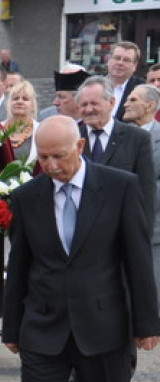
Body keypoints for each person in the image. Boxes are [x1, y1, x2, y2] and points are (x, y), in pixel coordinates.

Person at [1, 116, 160, 382]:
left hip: (105, 325)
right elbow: (19, 266)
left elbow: (137, 257)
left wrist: (147, 324)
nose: (51, 165)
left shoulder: (119, 187)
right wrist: (11, 325)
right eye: (44, 156)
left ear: (81, 146)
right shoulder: (27, 196)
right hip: (43, 327)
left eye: (59, 156)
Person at [76, 76, 155, 220]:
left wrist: (142, 239)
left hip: (122, 228)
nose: (88, 109)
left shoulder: (137, 139)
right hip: (81, 230)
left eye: (94, 103)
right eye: (83, 104)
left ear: (111, 102)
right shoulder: (72, 138)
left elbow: (146, 194)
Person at [121, 83, 160, 303]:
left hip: (152, 230)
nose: (126, 103)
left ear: (151, 106)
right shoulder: (119, 135)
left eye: (134, 100)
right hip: (118, 228)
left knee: (151, 299)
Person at [107, 41, 144, 122]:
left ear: (135, 66)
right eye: (117, 58)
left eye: (126, 60)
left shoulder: (142, 88)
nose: (120, 63)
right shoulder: (94, 84)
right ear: (109, 60)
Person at [5, 79, 39, 165]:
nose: (19, 102)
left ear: (33, 105)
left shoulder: (41, 130)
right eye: (15, 98)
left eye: (25, 99)